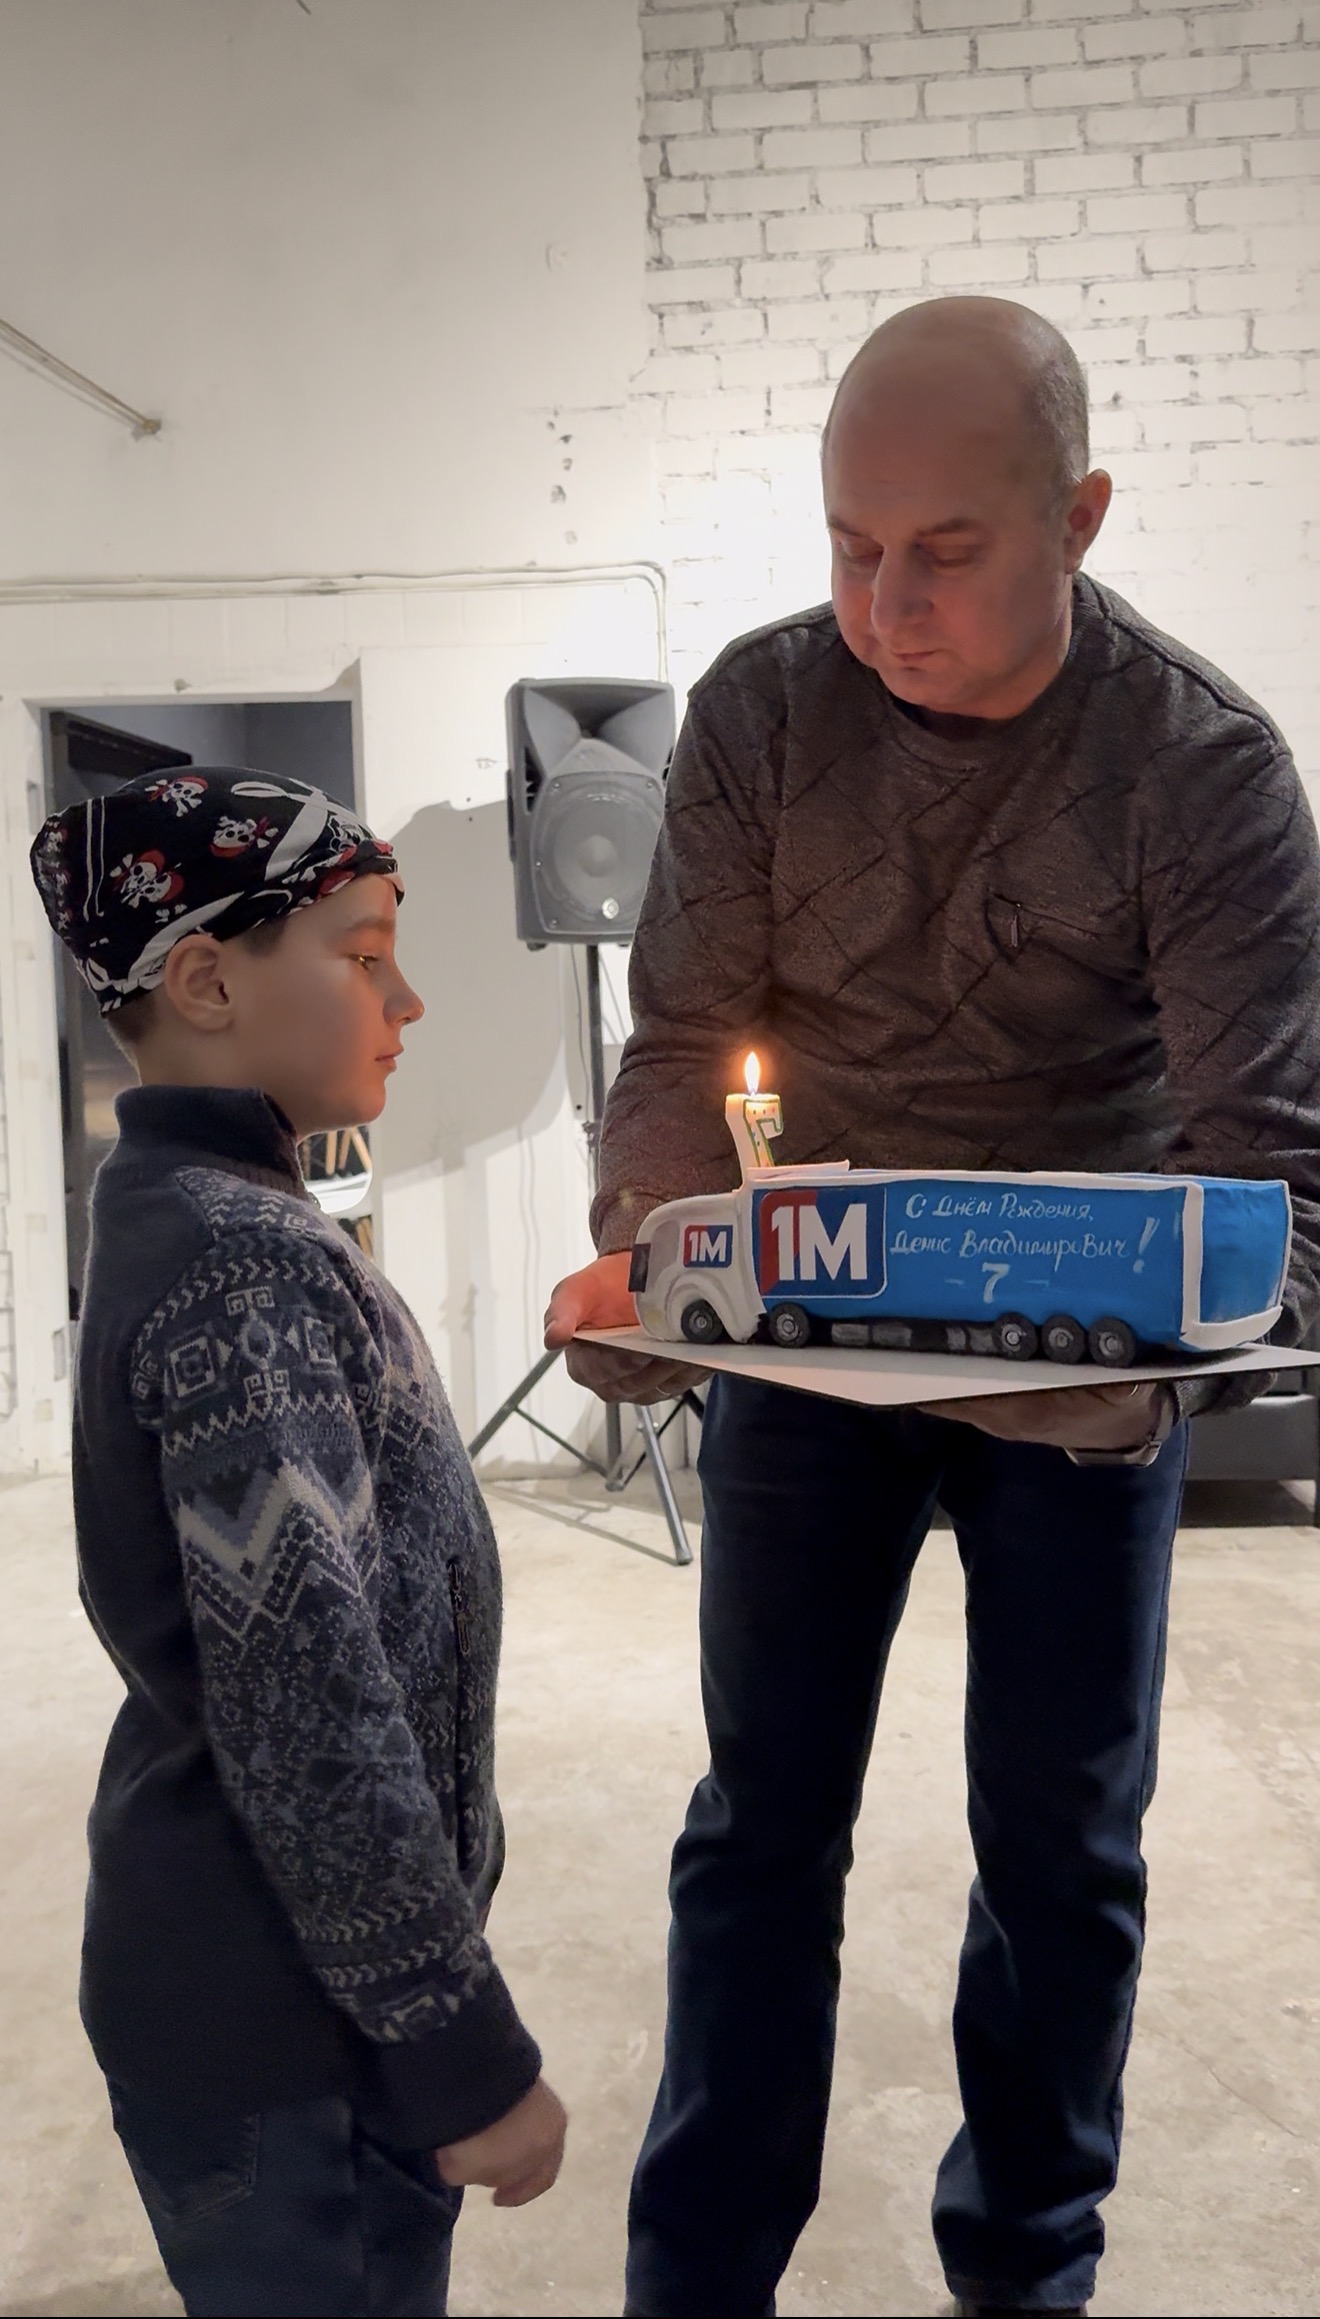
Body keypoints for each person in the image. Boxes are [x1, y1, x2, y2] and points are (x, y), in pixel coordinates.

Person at [545, 296, 1320, 2317]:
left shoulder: (1203, 766)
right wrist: (660, 1254)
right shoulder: (760, 711)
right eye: (848, 544)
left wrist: (1160, 1361)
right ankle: (697, 2279)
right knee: (759, 1830)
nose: (885, 607)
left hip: (1084, 1379)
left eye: (946, 552)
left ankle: (1027, 2272)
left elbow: (1278, 1186)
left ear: (1080, 514)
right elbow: (680, 1045)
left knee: (1064, 1850)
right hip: (806, 1349)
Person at [31, 769, 566, 2319]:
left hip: (265, 2010)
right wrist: (458, 2044)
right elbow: (310, 1711)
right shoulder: (244, 1269)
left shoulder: (189, 1208)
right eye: (364, 952)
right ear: (206, 982)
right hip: (294, 2039)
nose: (408, 999)